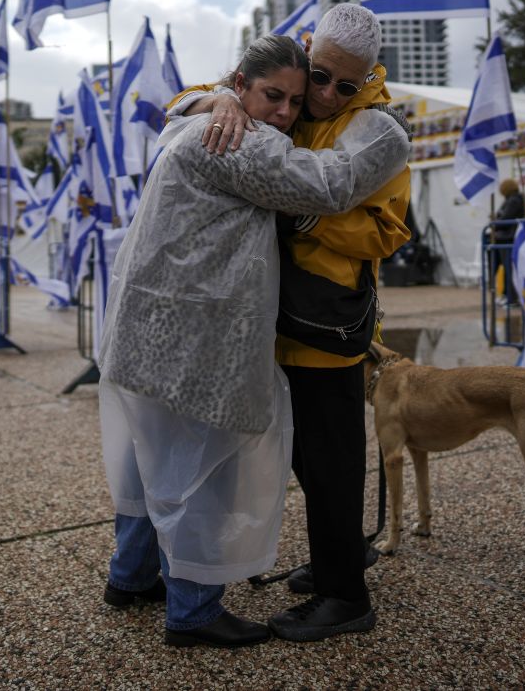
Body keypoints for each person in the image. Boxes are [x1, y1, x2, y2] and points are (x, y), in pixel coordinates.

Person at [99, 34, 409, 649]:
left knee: (149, 459)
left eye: (295, 102)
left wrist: (210, 98)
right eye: (274, 94)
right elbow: (329, 183)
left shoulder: (193, 128)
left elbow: (180, 106)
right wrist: (393, 135)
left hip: (149, 334)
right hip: (193, 344)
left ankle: (131, 578)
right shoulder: (235, 138)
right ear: (239, 84)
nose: (287, 112)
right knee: (198, 470)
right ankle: (192, 613)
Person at [492, 178, 525, 305]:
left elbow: (505, 218)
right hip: (505, 237)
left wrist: (495, 222)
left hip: (508, 237)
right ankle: (507, 295)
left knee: (509, 269)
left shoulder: (514, 201)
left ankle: (512, 298)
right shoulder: (511, 200)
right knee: (507, 269)